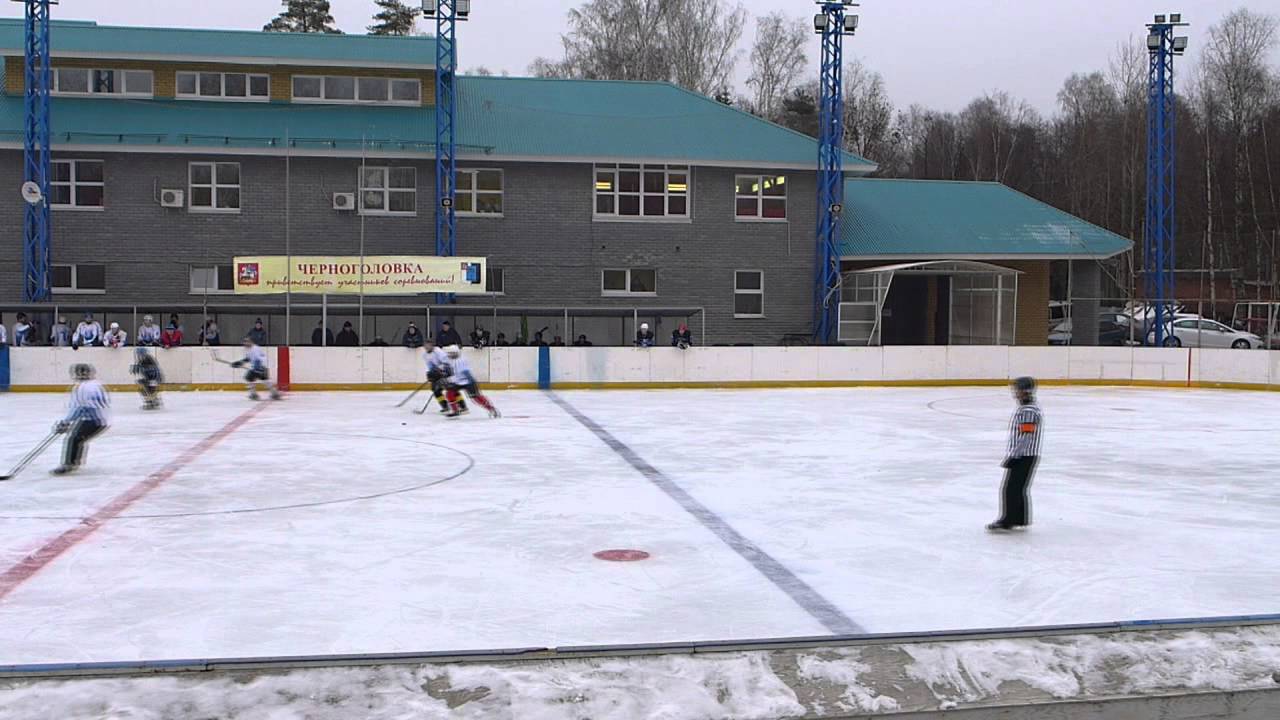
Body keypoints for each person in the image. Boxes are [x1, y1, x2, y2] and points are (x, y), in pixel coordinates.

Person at [988, 376, 1044, 533]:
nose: (1015, 393)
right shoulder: (1029, 408)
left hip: (1024, 455)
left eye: (1018, 389)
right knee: (1018, 487)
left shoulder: (1028, 410)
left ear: (1025, 391)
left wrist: (1015, 456)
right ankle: (1020, 518)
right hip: (1026, 454)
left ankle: (1008, 520)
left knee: (1011, 488)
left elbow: (1026, 435)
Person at [51, 363, 110, 476]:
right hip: (102, 418)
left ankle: (69, 464)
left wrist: (67, 421)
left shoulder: (82, 387)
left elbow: (80, 407)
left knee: (74, 438)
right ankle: (74, 462)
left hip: (95, 419)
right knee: (78, 438)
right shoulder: (96, 384)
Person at [443, 345, 500, 418]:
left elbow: (463, 375)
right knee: (449, 394)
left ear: (456, 353)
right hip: (458, 382)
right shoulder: (451, 360)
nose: (450, 355)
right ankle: (455, 411)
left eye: (452, 353)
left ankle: (491, 408)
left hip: (468, 382)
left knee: (476, 398)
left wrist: (449, 380)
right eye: (449, 353)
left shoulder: (461, 360)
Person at [422, 337, 452, 414]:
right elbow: (430, 366)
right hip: (437, 372)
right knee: (435, 389)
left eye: (428, 345)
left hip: (446, 371)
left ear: (432, 345)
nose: (426, 347)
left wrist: (440, 369)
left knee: (450, 388)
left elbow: (446, 362)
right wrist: (431, 374)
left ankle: (461, 405)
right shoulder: (425, 355)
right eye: (425, 345)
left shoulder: (438, 351)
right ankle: (445, 406)